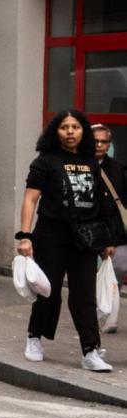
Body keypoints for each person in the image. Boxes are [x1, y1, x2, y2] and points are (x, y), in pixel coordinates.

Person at [18, 109, 118, 373]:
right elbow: (30, 198)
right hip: (51, 234)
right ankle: (35, 337)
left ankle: (90, 351)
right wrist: (25, 236)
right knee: (48, 291)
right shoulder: (45, 161)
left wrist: (107, 239)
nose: (70, 132)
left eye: (75, 127)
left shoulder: (91, 162)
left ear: (83, 131)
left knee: (84, 296)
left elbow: (100, 203)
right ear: (56, 132)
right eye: (64, 127)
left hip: (85, 237)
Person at [94, 123, 127, 292]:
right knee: (84, 276)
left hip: (114, 231)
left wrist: (111, 240)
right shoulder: (77, 165)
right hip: (84, 230)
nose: (99, 145)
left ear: (109, 144)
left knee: (118, 270)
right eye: (95, 141)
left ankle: (108, 305)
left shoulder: (117, 168)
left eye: (104, 141)